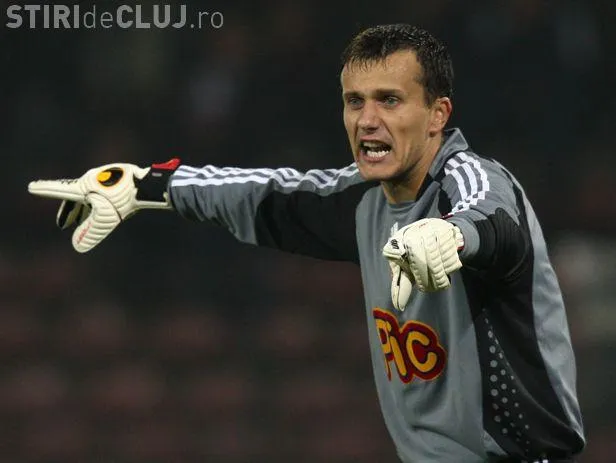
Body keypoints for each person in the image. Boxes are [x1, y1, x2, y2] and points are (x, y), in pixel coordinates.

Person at [28, 24, 585, 462]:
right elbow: (267, 193)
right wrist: (147, 184)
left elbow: (492, 220)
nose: (367, 120)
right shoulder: (362, 201)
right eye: (354, 101)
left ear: (437, 114)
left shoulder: (474, 179)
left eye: (390, 100)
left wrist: (449, 236)